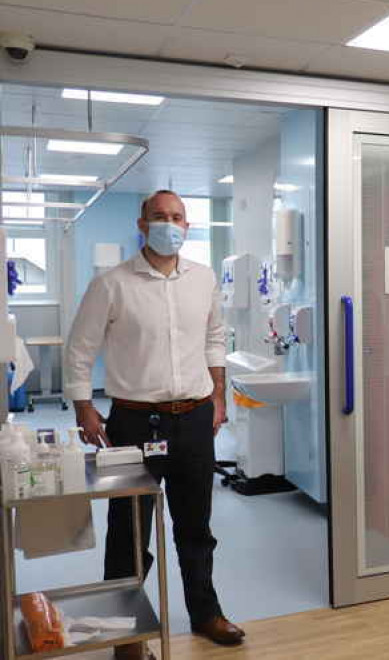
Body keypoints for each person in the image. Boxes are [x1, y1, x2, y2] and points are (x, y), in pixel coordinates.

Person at [64, 190, 245, 660]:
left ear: (188, 225)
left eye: (178, 217)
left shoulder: (203, 279)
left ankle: (205, 613)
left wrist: (219, 395)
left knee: (196, 527)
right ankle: (124, 632)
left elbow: (213, 338)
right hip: (132, 424)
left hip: (193, 419)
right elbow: (80, 350)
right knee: (129, 529)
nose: (171, 224)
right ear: (142, 224)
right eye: (161, 217)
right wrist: (84, 408)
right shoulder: (113, 283)